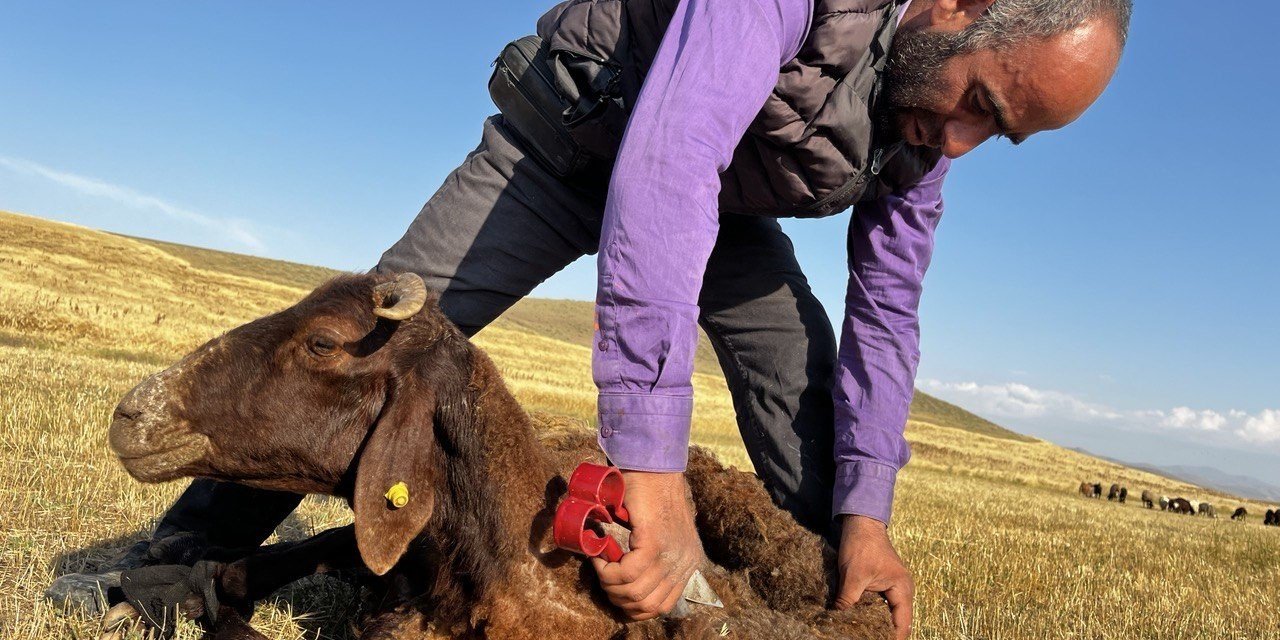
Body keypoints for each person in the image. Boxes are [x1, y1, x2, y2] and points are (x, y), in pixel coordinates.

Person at [49, 1, 1132, 637]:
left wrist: (867, 519)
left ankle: (752, 599)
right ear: (954, 3)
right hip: (565, 149)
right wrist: (651, 475)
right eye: (980, 105)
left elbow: (887, 312)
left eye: (1000, 136)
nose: (958, 145)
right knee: (373, 346)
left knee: (810, 423)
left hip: (721, 212)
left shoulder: (915, 129)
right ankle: (192, 544)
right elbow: (662, 162)